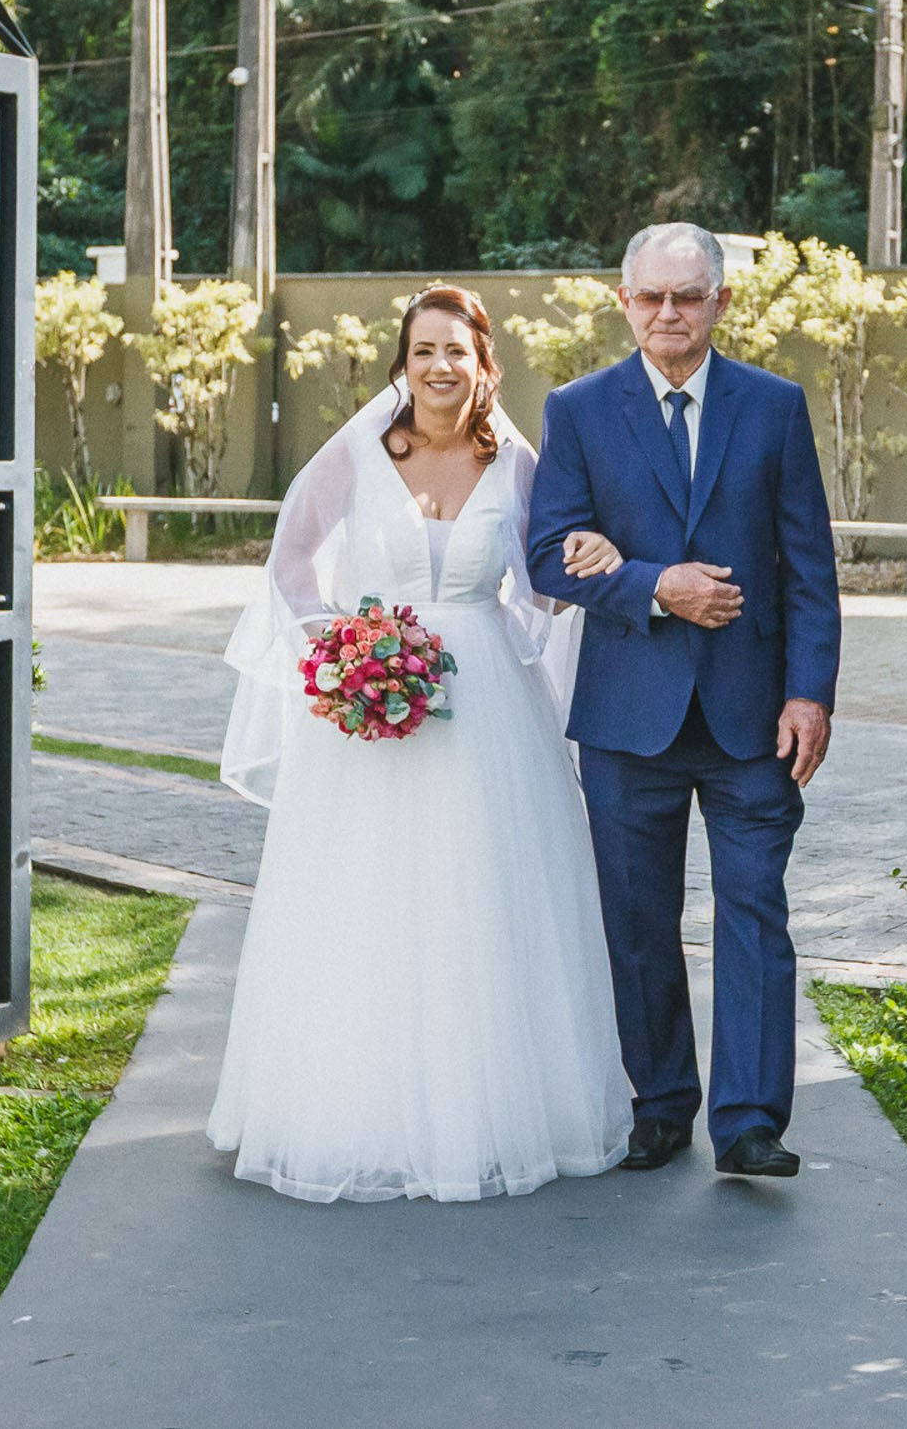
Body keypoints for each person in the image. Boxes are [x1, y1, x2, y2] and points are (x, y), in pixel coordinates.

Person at [208, 284, 635, 1203]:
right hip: (370, 705)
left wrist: (589, 560)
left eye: (458, 351)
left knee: (486, 899)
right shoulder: (359, 453)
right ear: (400, 365)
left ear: (487, 366)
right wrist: (339, 651)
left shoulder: (520, 464)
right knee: (367, 898)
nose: (440, 367)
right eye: (423, 351)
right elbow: (290, 557)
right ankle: (350, 1109)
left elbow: (546, 583)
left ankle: (498, 1109)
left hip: (487, 707)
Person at [526, 221, 843, 1179]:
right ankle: (660, 1103)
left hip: (754, 718)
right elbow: (548, 554)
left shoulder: (775, 407)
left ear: (721, 303)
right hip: (630, 717)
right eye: (652, 297)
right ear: (624, 303)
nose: (670, 313)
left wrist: (810, 694)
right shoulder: (578, 412)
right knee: (637, 920)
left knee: (755, 912)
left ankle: (749, 1122)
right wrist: (657, 586)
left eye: (689, 296)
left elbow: (809, 572)